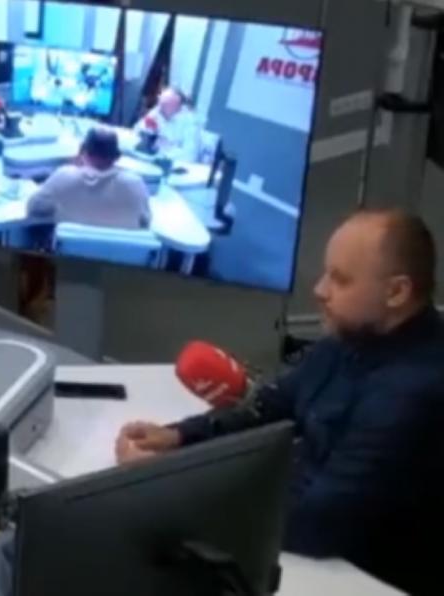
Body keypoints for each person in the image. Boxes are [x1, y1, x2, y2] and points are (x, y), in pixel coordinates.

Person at [115, 209, 444, 595]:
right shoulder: (353, 337)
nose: (319, 290)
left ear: (396, 293)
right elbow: (270, 407)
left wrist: (167, 487)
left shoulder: (416, 391)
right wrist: (180, 438)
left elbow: (318, 522)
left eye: (340, 279)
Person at [27, 127, 151, 230]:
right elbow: (145, 222)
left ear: (82, 151)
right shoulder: (135, 184)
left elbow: (33, 209)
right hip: (120, 253)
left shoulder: (64, 176)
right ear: (116, 157)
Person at [135, 88, 202, 162]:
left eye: (166, 106)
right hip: (149, 158)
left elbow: (191, 154)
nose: (159, 109)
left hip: (173, 164)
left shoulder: (191, 123)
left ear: (178, 108)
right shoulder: (159, 110)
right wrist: (148, 136)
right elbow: (137, 130)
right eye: (161, 104)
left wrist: (166, 150)